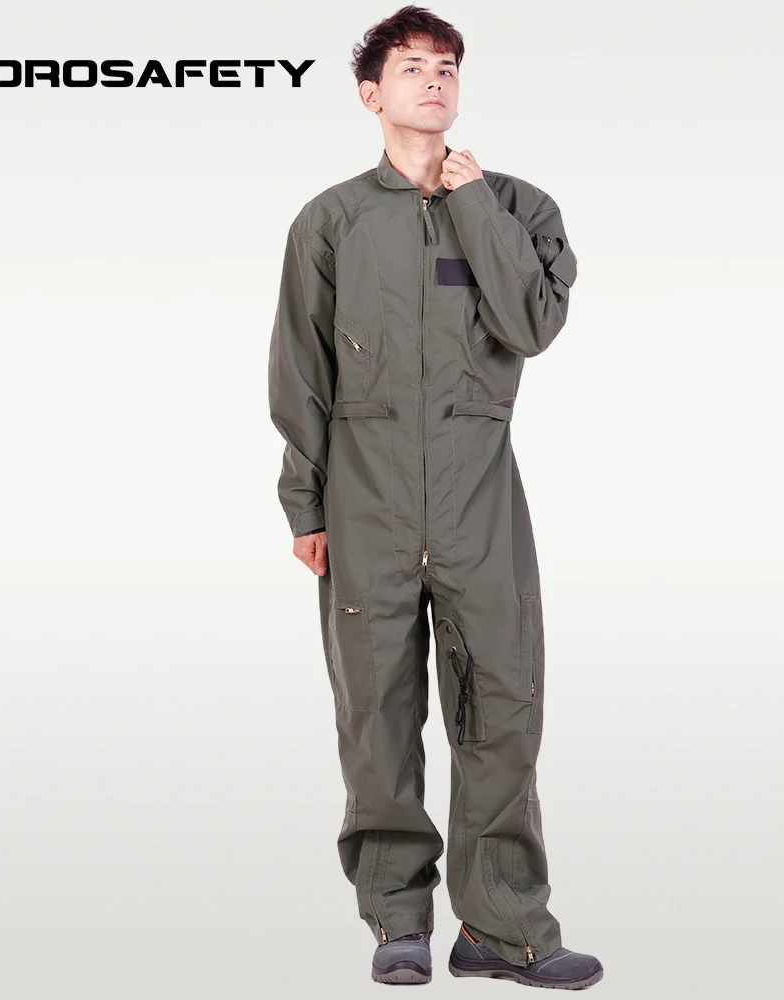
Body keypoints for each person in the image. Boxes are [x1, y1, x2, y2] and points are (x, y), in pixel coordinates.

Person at [268, 5, 602, 989]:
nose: (434, 80)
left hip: (478, 496)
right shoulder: (331, 221)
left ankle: (501, 927)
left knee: (502, 706)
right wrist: (306, 506)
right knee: (375, 716)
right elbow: (300, 369)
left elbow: (531, 324)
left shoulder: (519, 207)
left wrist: (473, 205)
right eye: (412, 66)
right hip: (364, 498)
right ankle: (396, 921)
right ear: (371, 93)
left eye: (448, 66)